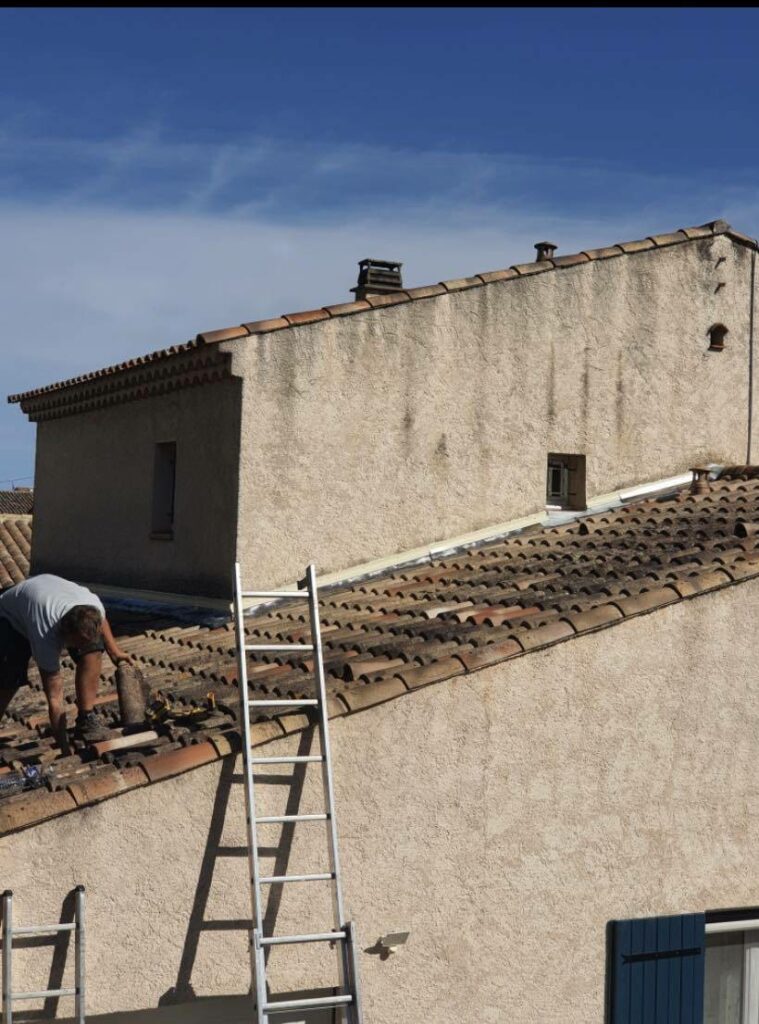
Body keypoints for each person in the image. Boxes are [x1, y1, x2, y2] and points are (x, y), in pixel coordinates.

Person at [0, 574, 134, 746]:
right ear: (65, 634)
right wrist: (63, 746)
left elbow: (101, 622)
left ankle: (86, 719)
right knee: (8, 679)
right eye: (77, 643)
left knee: (93, 650)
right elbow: (55, 699)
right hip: (9, 617)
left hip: (49, 593)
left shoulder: (93, 606)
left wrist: (115, 652)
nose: (79, 648)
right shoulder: (45, 635)